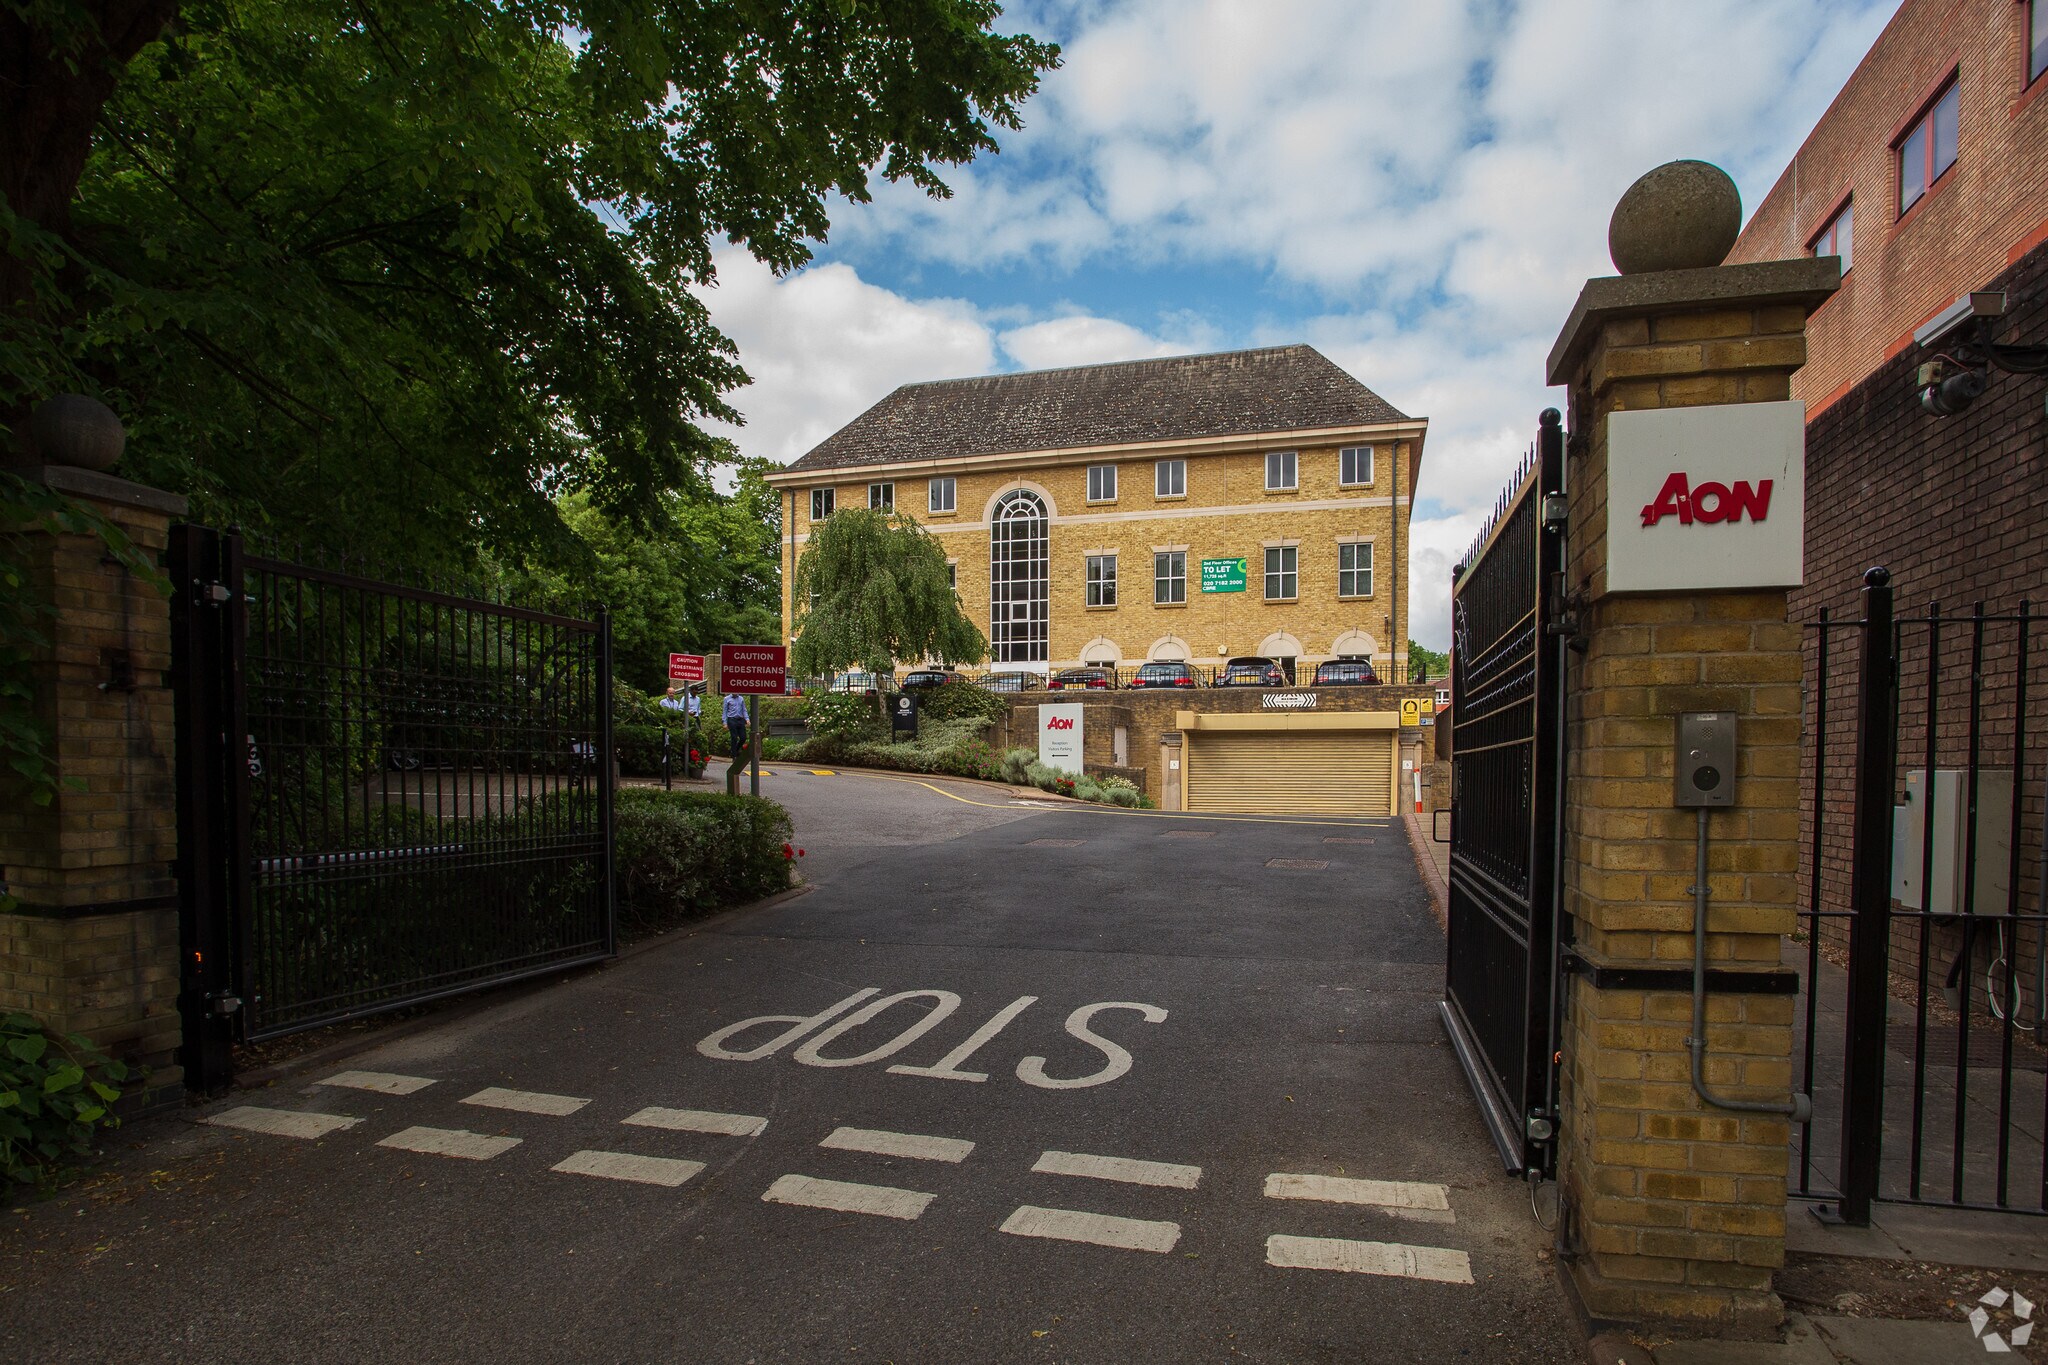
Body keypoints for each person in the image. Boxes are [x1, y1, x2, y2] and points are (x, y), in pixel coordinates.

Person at [723, 689, 748, 760]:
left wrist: (747, 719)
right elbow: (724, 711)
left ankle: (735, 750)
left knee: (743, 737)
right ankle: (734, 755)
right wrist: (724, 722)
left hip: (740, 720)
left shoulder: (741, 699)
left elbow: (744, 710)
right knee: (734, 737)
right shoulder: (727, 699)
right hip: (732, 719)